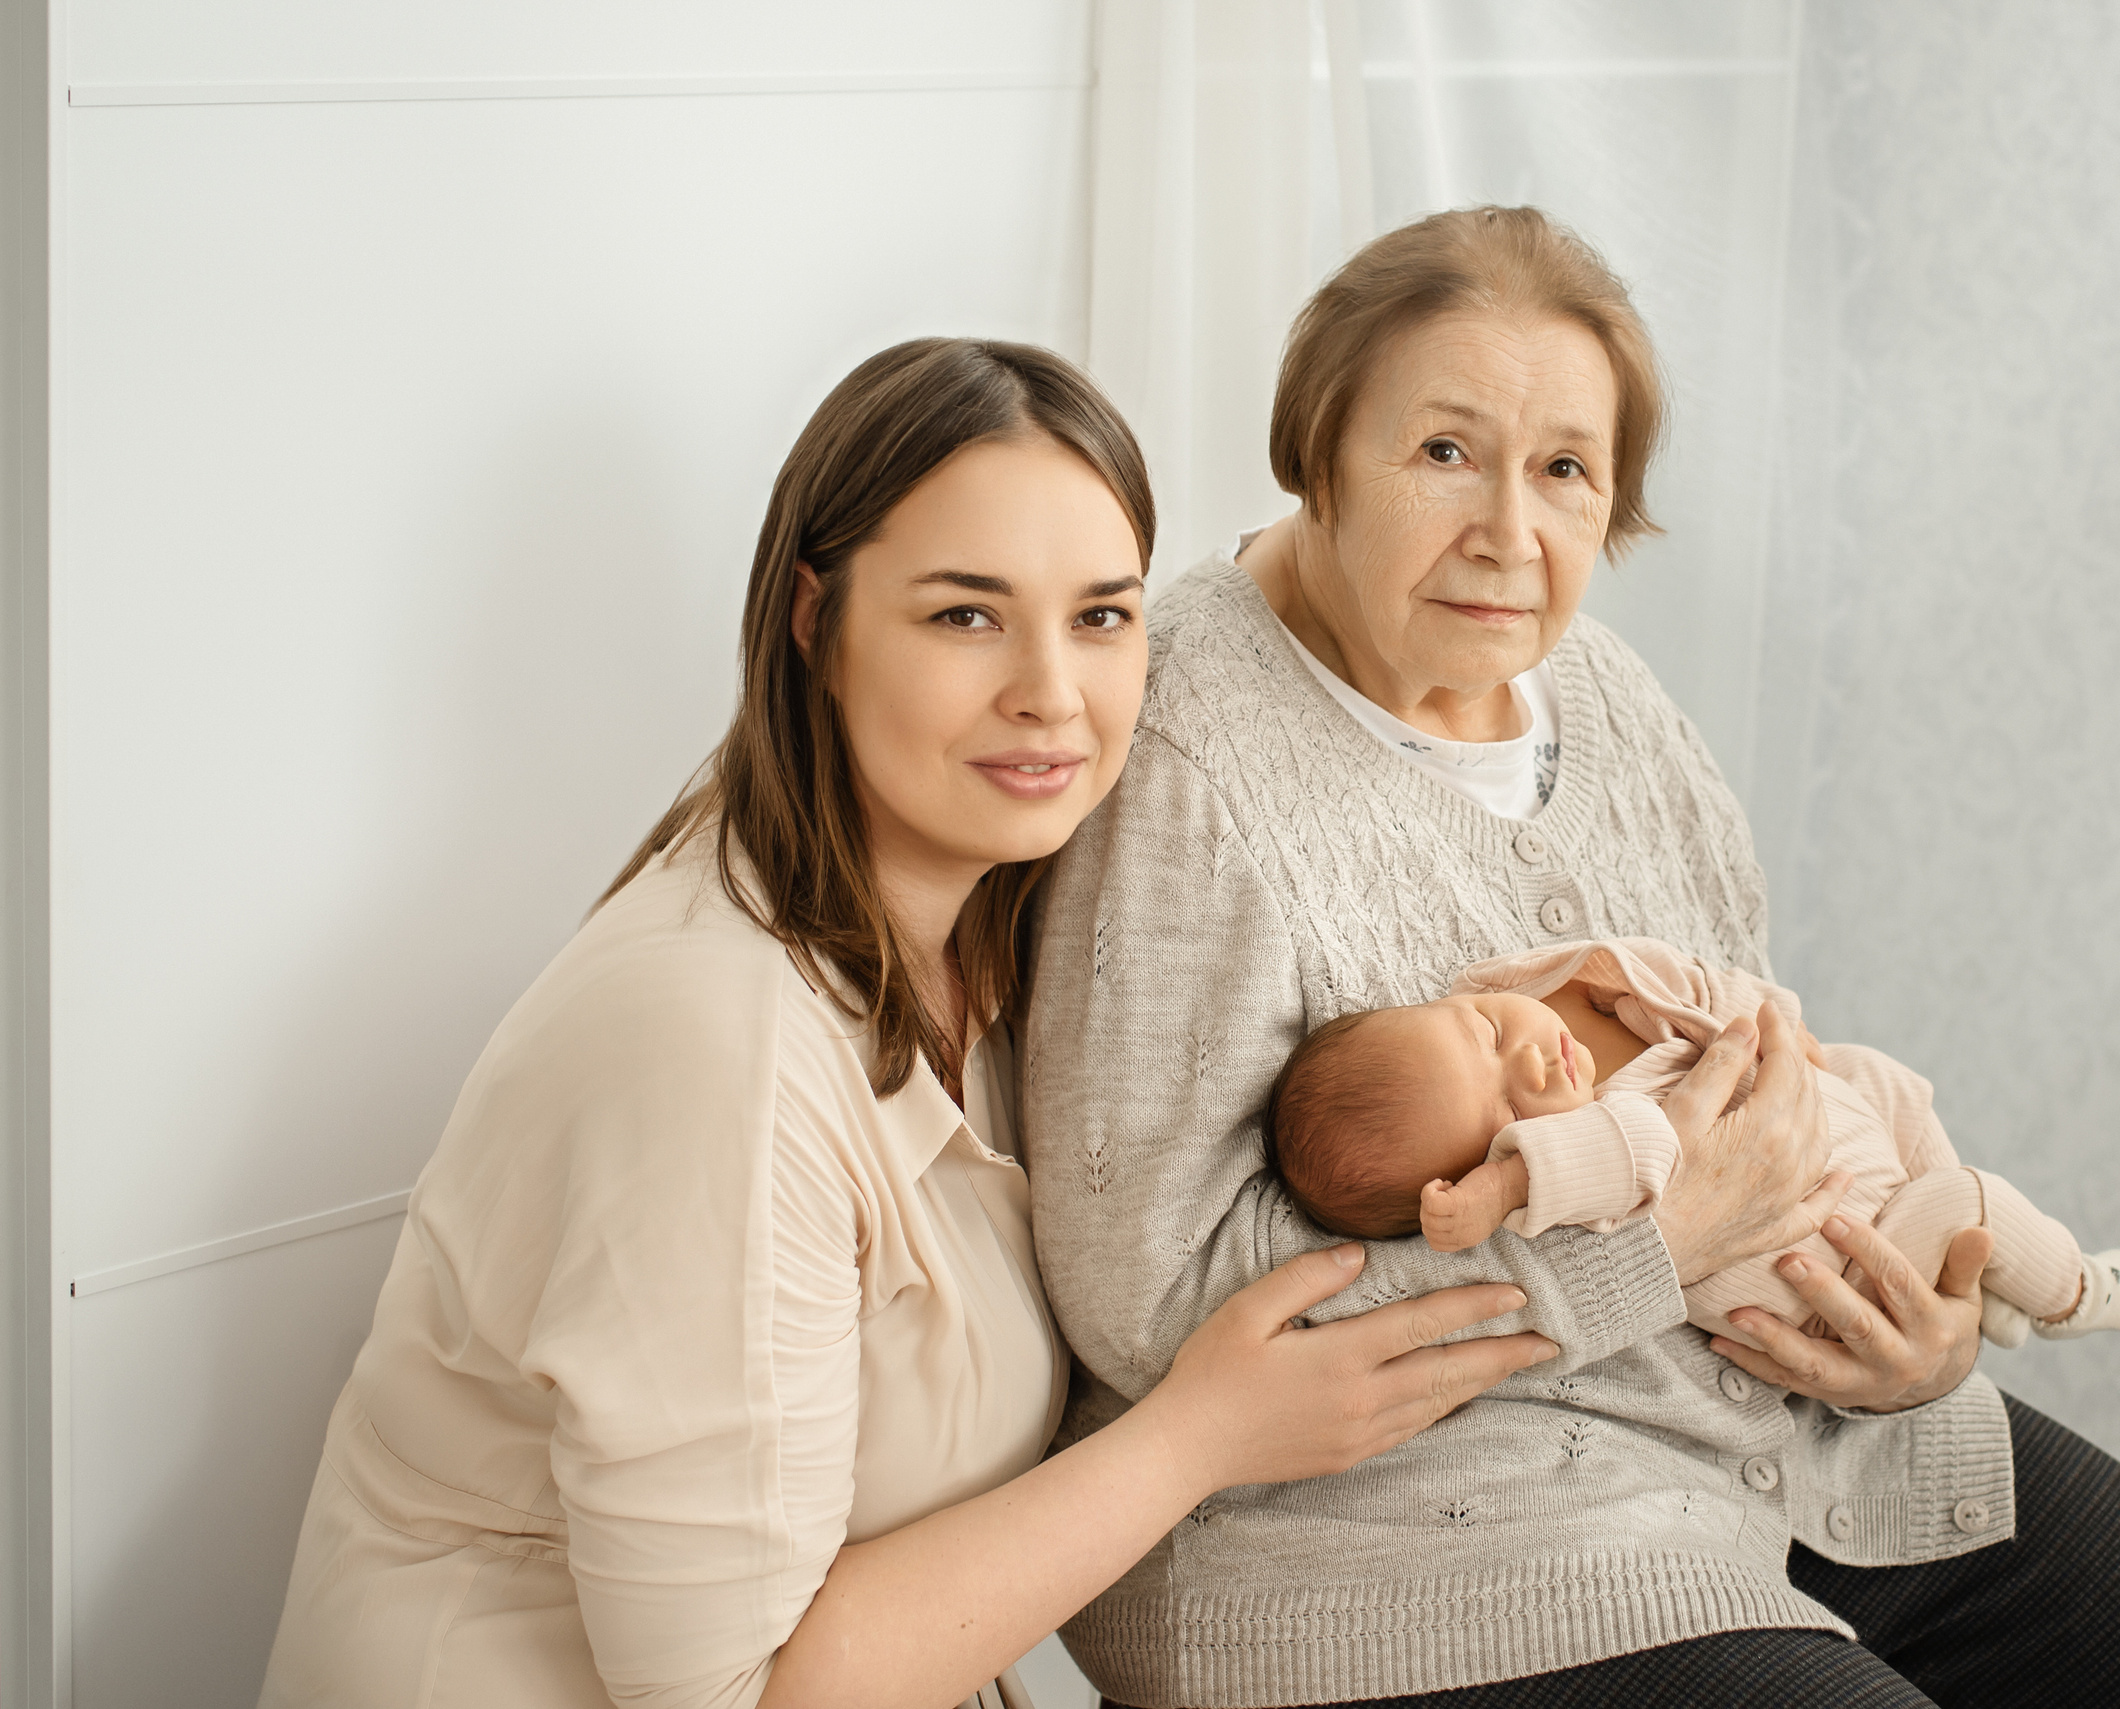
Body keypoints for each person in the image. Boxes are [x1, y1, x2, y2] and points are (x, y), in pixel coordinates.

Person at [1024, 208, 2120, 1707]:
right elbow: (1151, 1294)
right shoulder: (1183, 744)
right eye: (1445, 452)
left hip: (1753, 1407)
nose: (1512, 534)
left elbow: (1754, 1086)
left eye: (1566, 470)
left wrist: (1917, 1320)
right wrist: (1645, 1251)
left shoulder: (1603, 697)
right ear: (1316, 449)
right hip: (1397, 1525)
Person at [254, 338, 1557, 1709]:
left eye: (1103, 616)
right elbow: (740, 1696)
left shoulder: (992, 927)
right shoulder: (716, 1048)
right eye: (965, 616)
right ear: (814, 624)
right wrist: (1198, 1440)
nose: (1051, 690)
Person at [1264, 935, 2120, 1350]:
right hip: (1834, 1279)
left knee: (1879, 1077)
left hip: (1856, 1184)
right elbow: (1612, 1154)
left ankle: (1988, 1280)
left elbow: (1702, 983)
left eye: (1489, 1033)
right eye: (1507, 1115)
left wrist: (1772, 1027)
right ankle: (2075, 1287)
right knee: (1963, 1199)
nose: (1533, 1062)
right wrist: (1499, 1191)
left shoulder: (1579, 988)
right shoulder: (1602, 1143)